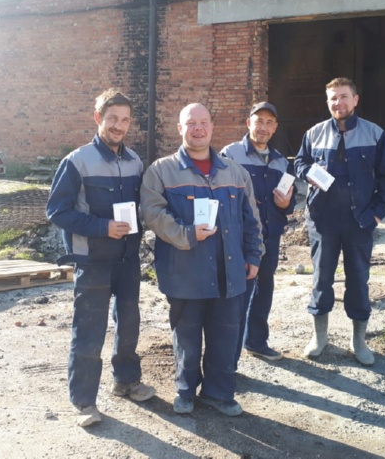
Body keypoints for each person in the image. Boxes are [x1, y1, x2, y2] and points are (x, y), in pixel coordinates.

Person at [141, 103, 262, 417]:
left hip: (229, 270)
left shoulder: (235, 172)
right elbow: (153, 214)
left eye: (204, 122)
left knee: (226, 335)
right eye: (191, 123)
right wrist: (187, 234)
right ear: (180, 128)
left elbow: (252, 217)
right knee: (187, 336)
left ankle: (219, 393)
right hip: (185, 272)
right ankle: (185, 391)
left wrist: (253, 255)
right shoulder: (161, 171)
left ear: (212, 127)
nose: (198, 129)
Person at [46, 89, 155, 427]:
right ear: (98, 118)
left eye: (125, 120)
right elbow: (57, 211)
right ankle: (84, 402)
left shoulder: (134, 161)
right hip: (93, 260)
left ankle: (126, 381)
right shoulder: (77, 161)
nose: (119, 126)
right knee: (89, 332)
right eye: (112, 119)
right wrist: (102, 227)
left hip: (127, 259)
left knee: (129, 324)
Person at [294, 77, 385, 366]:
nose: (338, 102)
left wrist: (377, 213)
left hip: (359, 221)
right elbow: (299, 162)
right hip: (322, 221)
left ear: (355, 100)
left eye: (343, 96)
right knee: (321, 280)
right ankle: (319, 338)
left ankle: (359, 341)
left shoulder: (374, 134)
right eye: (333, 98)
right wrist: (308, 173)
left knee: (359, 281)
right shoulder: (314, 134)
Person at [220, 102, 295, 364]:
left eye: (269, 122)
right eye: (259, 121)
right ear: (248, 123)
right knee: (238, 295)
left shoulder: (281, 161)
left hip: (270, 236)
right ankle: (229, 357)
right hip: (241, 239)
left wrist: (286, 204)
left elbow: (289, 200)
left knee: (264, 289)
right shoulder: (230, 154)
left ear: (275, 128)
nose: (263, 127)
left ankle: (256, 342)